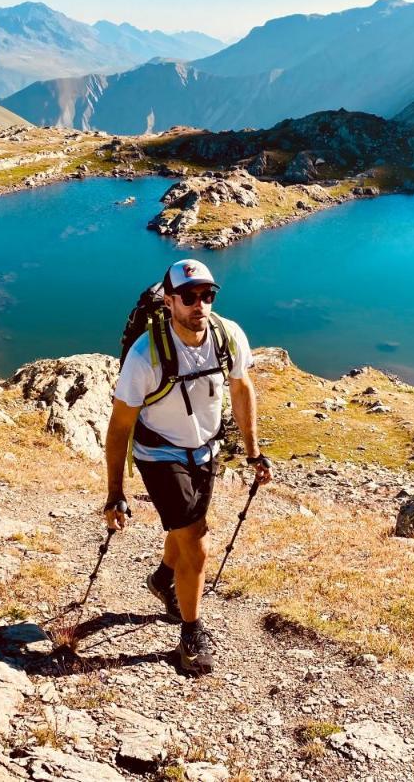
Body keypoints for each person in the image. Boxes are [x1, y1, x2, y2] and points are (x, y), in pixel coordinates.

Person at [103, 258, 272, 674]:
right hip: (159, 453)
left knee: (183, 530)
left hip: (205, 451)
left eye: (208, 295)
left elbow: (242, 387)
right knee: (196, 536)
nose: (200, 305)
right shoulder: (146, 356)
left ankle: (164, 577)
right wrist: (114, 492)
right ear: (169, 300)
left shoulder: (227, 336)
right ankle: (191, 633)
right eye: (190, 297)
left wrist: (253, 451)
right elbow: (120, 426)